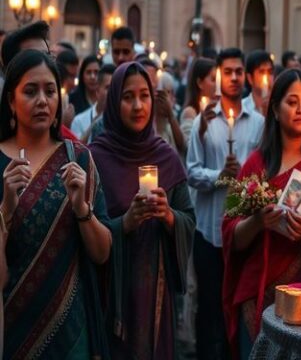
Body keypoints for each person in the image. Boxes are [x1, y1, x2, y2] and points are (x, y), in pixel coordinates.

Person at [222, 69, 301, 358]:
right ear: (275, 110)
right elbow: (231, 235)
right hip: (258, 290)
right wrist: (258, 222)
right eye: (292, 102)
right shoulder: (256, 165)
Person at [1, 50, 112, 358]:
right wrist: (6, 210)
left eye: (50, 91)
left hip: (70, 330)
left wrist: (82, 210)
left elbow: (102, 253)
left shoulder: (78, 158)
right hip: (10, 327)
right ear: (10, 101)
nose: (42, 101)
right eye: (30, 91)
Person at [89, 62, 196, 359]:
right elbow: (84, 230)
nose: (138, 106)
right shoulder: (96, 158)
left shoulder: (166, 157)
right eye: (128, 97)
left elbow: (188, 218)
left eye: (144, 96)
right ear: (114, 102)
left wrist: (169, 216)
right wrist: (125, 223)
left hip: (155, 293)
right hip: (113, 293)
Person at [187, 47, 264, 360]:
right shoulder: (204, 122)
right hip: (210, 231)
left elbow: (265, 171)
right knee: (210, 310)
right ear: (219, 76)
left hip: (244, 232)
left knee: (239, 308)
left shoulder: (258, 123)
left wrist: (245, 177)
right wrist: (219, 176)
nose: (234, 78)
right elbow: (192, 171)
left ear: (245, 76)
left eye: (238, 72)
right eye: (227, 72)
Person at [72, 63, 115, 142]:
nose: (113, 92)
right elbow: (76, 149)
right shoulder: (79, 122)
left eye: (116, 88)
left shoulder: (125, 120)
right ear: (97, 91)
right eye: (108, 88)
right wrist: (93, 126)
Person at [180, 56, 217, 145]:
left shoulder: (217, 109)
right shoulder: (190, 112)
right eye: (213, 80)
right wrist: (201, 130)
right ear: (200, 83)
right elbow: (188, 145)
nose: (217, 85)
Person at [243, 50, 274, 116]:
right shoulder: (242, 108)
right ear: (250, 78)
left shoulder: (279, 108)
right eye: (262, 72)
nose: (267, 77)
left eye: (270, 72)